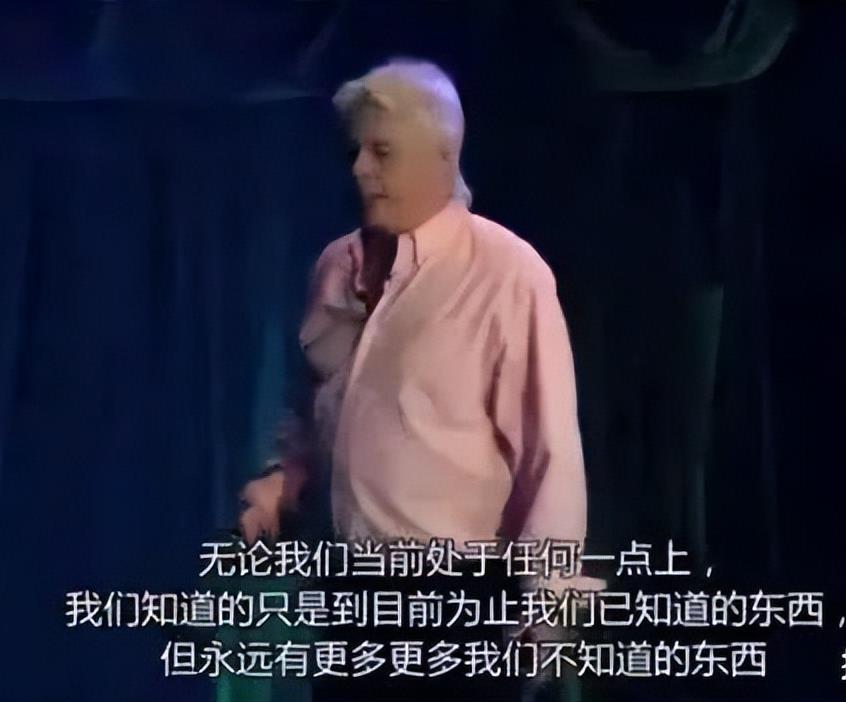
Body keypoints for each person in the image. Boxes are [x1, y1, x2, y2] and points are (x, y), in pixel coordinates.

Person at [237, 57, 601, 701]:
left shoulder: (506, 273)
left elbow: (550, 452)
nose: (360, 168)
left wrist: (548, 601)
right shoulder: (335, 265)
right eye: (355, 151)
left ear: (443, 155)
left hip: (458, 597)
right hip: (350, 592)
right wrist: (281, 481)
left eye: (381, 152)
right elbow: (312, 407)